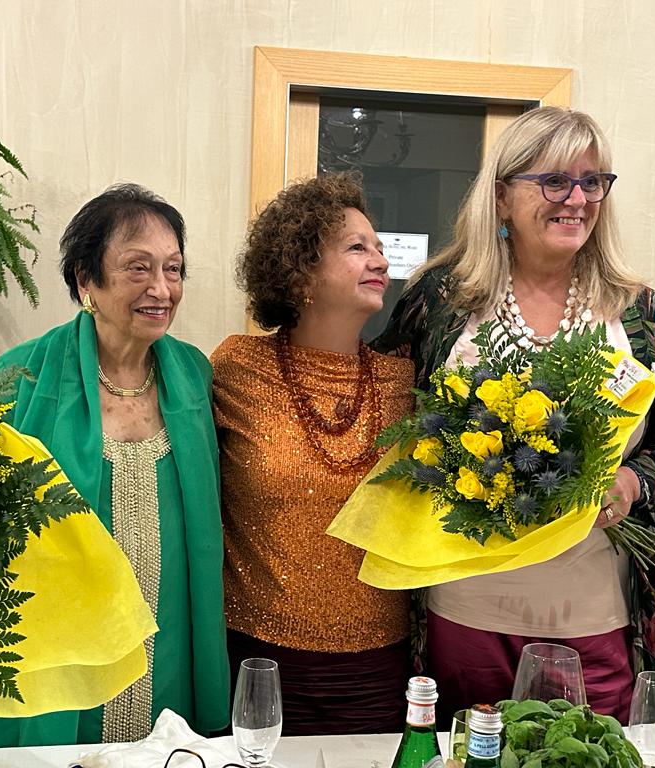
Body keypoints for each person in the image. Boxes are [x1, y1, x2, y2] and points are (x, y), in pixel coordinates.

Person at [374, 107, 655, 724]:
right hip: (464, 609)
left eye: (593, 182)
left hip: (593, 615)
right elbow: (388, 419)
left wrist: (632, 481)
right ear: (502, 196)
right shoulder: (443, 299)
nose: (577, 199)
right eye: (555, 181)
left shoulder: (643, 314)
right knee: (467, 755)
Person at [0, 184, 229, 747]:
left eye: (173, 269)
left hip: (168, 639)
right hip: (55, 645)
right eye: (138, 268)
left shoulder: (194, 374)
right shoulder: (20, 377)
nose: (162, 289)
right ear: (87, 279)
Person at [212, 173, 415, 736]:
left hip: (379, 666)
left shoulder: (406, 384)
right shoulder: (236, 369)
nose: (380, 260)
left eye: (380, 248)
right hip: (256, 660)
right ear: (301, 271)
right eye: (357, 247)